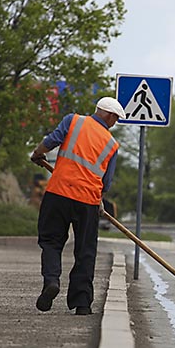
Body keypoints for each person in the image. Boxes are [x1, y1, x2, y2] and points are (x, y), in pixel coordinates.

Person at [29, 97, 125, 315]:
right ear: (109, 115)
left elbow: (51, 141)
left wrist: (37, 153)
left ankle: (51, 281)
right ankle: (82, 304)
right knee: (85, 251)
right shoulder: (112, 144)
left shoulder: (73, 121)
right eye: (116, 119)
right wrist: (99, 199)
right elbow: (106, 181)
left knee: (51, 241)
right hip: (87, 202)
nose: (115, 123)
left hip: (58, 194)